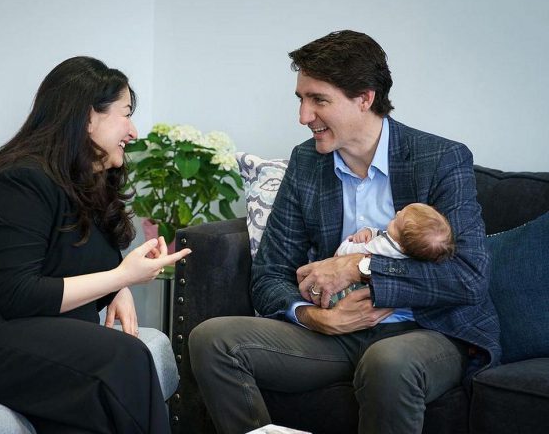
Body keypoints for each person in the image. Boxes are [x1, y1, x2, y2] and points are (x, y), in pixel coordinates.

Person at [189, 30, 500, 434]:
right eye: (301, 99)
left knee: (388, 363)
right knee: (212, 339)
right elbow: (270, 273)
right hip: (333, 332)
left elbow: (469, 277)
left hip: (426, 328)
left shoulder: (440, 159)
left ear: (364, 98)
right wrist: (314, 317)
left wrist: (361, 268)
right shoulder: (307, 163)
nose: (303, 116)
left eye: (318, 100)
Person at [0, 56, 191, 434]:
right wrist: (117, 277)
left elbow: (81, 259)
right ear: (88, 117)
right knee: (124, 357)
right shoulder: (20, 180)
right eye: (125, 113)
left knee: (90, 416)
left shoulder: (83, 183)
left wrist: (119, 285)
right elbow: (20, 294)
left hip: (16, 327)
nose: (133, 130)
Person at [327, 202, 456, 308]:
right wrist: (371, 232)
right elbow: (383, 236)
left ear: (401, 243)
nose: (397, 212)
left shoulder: (381, 247)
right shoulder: (411, 251)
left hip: (352, 291)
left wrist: (346, 244)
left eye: (396, 221)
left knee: (331, 294)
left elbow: (347, 253)